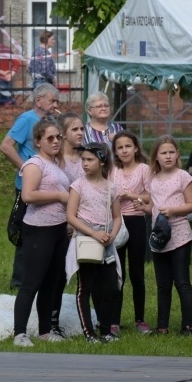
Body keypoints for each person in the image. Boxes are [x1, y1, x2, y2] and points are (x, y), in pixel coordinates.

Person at [12, 118, 70, 347]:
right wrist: (58, 196)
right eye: (50, 138)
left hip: (59, 229)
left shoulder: (56, 164)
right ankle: (20, 333)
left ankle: (45, 331)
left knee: (52, 282)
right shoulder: (35, 164)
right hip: (38, 229)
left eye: (58, 137)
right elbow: (28, 195)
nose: (56, 141)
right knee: (31, 283)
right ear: (38, 142)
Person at [0, 83, 60, 290]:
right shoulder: (26, 119)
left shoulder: (52, 122)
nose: (55, 105)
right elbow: (5, 146)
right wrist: (25, 167)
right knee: (25, 232)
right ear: (39, 100)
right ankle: (19, 281)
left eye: (56, 101)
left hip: (48, 186)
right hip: (28, 187)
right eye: (52, 100)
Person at [66, 143, 123, 343]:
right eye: (83, 159)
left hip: (106, 243)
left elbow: (117, 217)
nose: (85, 164)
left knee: (111, 287)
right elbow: (71, 216)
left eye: (90, 160)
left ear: (102, 162)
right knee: (85, 287)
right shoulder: (78, 185)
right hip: (85, 241)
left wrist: (112, 235)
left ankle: (106, 330)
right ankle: (89, 333)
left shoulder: (111, 187)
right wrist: (93, 233)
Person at [145, 135, 192, 335]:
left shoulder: (183, 176)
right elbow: (152, 206)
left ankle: (187, 325)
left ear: (177, 154)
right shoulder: (151, 179)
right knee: (162, 284)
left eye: (171, 152)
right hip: (159, 236)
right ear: (156, 157)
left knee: (182, 281)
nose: (168, 156)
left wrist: (174, 210)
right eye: (163, 153)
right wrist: (144, 207)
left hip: (179, 234)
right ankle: (162, 326)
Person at [111, 130, 152, 335]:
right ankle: (114, 321)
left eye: (128, 146)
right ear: (115, 152)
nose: (124, 150)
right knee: (118, 273)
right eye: (120, 147)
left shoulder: (144, 169)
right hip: (116, 223)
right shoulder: (112, 171)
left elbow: (151, 196)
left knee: (137, 273)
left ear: (136, 148)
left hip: (136, 222)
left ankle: (140, 320)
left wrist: (130, 195)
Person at [49, 112, 85, 336]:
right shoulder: (56, 161)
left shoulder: (86, 158)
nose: (80, 133)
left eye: (82, 129)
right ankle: (52, 320)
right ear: (63, 134)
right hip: (60, 224)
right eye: (75, 129)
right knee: (57, 276)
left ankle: (89, 321)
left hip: (85, 224)